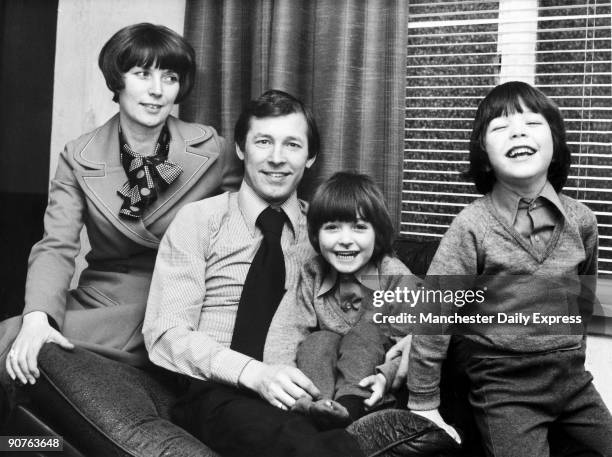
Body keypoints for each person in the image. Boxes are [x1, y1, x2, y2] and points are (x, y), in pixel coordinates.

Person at [144, 90, 449, 457]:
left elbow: (410, 298)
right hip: (219, 389)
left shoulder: (333, 237)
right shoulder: (200, 220)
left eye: (291, 144)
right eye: (263, 142)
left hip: (304, 391)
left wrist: (418, 340)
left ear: (310, 158)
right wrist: (252, 373)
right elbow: (165, 334)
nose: (276, 158)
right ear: (241, 149)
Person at [0, 23, 241, 456]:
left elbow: (249, 224)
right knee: (16, 339)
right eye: (142, 74)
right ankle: (24, 446)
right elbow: (56, 245)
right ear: (118, 79)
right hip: (104, 299)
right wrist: (39, 315)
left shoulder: (214, 149)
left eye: (169, 77)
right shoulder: (80, 155)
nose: (157, 91)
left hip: (178, 300)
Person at [406, 81, 612, 456]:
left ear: (556, 144)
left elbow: (583, 300)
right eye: (499, 127)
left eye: (533, 123)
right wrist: (423, 402)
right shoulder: (472, 226)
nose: (517, 130)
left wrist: (573, 356)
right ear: (484, 155)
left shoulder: (583, 221)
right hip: (505, 385)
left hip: (572, 380)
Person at [265, 171, 421, 428]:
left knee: (365, 334)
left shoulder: (394, 276)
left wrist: (387, 376)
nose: (345, 240)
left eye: (359, 227)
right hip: (323, 382)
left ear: (377, 234)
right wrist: (280, 377)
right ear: (316, 235)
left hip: (371, 387)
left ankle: (350, 407)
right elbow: (287, 329)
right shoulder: (313, 272)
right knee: (318, 340)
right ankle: (319, 407)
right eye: (332, 228)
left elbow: (420, 341)